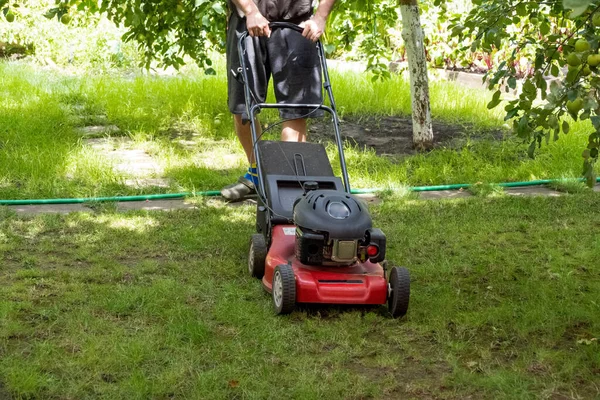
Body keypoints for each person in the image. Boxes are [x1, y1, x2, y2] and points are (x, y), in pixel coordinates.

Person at [221, 0, 337, 201]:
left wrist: (320, 16)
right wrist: (250, 10)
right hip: (247, 21)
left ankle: (286, 183)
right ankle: (258, 173)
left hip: (298, 24)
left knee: (297, 107)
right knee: (243, 106)